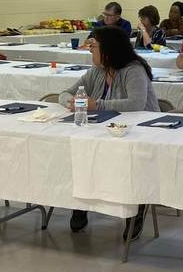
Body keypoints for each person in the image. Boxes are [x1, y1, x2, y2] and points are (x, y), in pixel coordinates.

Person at [59, 26, 158, 236]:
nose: (90, 51)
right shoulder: (97, 71)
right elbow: (66, 93)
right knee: (82, 153)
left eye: (93, 47)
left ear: (108, 49)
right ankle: (81, 203)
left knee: (125, 160)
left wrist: (97, 105)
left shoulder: (134, 69)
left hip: (138, 132)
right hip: (103, 128)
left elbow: (136, 103)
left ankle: (136, 209)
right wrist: (73, 101)